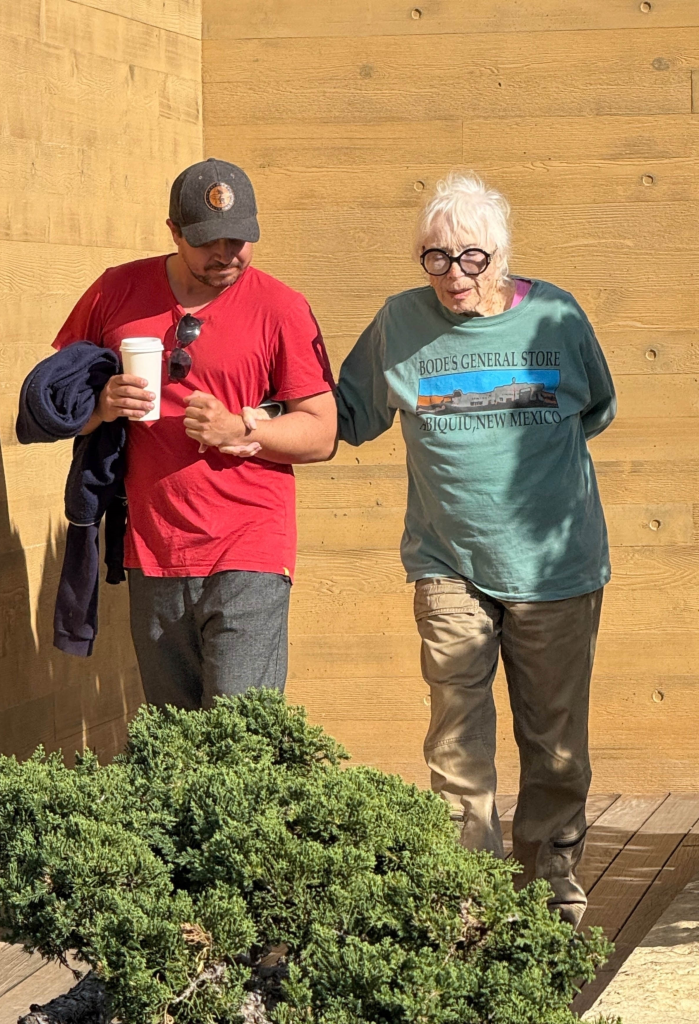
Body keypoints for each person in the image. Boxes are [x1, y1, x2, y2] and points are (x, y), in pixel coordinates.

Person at [335, 173, 616, 927]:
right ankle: (473, 906)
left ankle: (552, 893)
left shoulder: (555, 313)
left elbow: (594, 406)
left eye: (472, 258)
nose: (455, 275)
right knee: (456, 745)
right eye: (436, 258)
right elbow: (348, 414)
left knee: (555, 745)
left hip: (555, 568)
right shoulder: (399, 323)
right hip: (447, 563)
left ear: (503, 255)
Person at [52, 158, 336, 710]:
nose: (226, 254)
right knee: (172, 744)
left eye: (240, 239)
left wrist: (243, 426)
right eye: (208, 241)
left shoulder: (281, 307)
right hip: (152, 550)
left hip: (250, 547)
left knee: (239, 739)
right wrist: (102, 405)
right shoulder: (116, 291)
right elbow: (57, 403)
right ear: (174, 232)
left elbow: (323, 433)